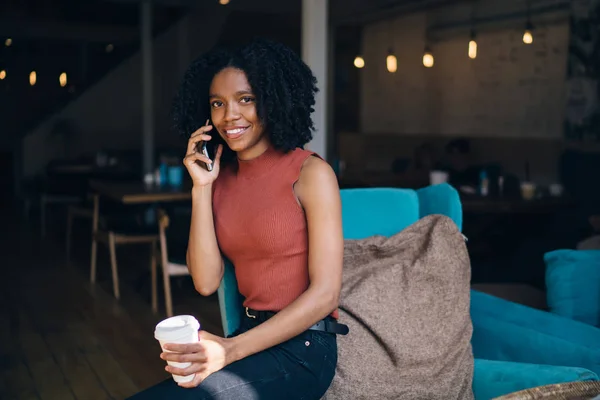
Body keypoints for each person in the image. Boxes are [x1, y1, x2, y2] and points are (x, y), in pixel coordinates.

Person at [128, 38, 346, 400]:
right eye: (218, 103)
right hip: (247, 336)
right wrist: (201, 188)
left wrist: (231, 350)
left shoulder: (310, 172)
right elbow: (205, 281)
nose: (230, 115)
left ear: (272, 100)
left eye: (246, 99)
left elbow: (326, 295)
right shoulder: (219, 180)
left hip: (304, 349)